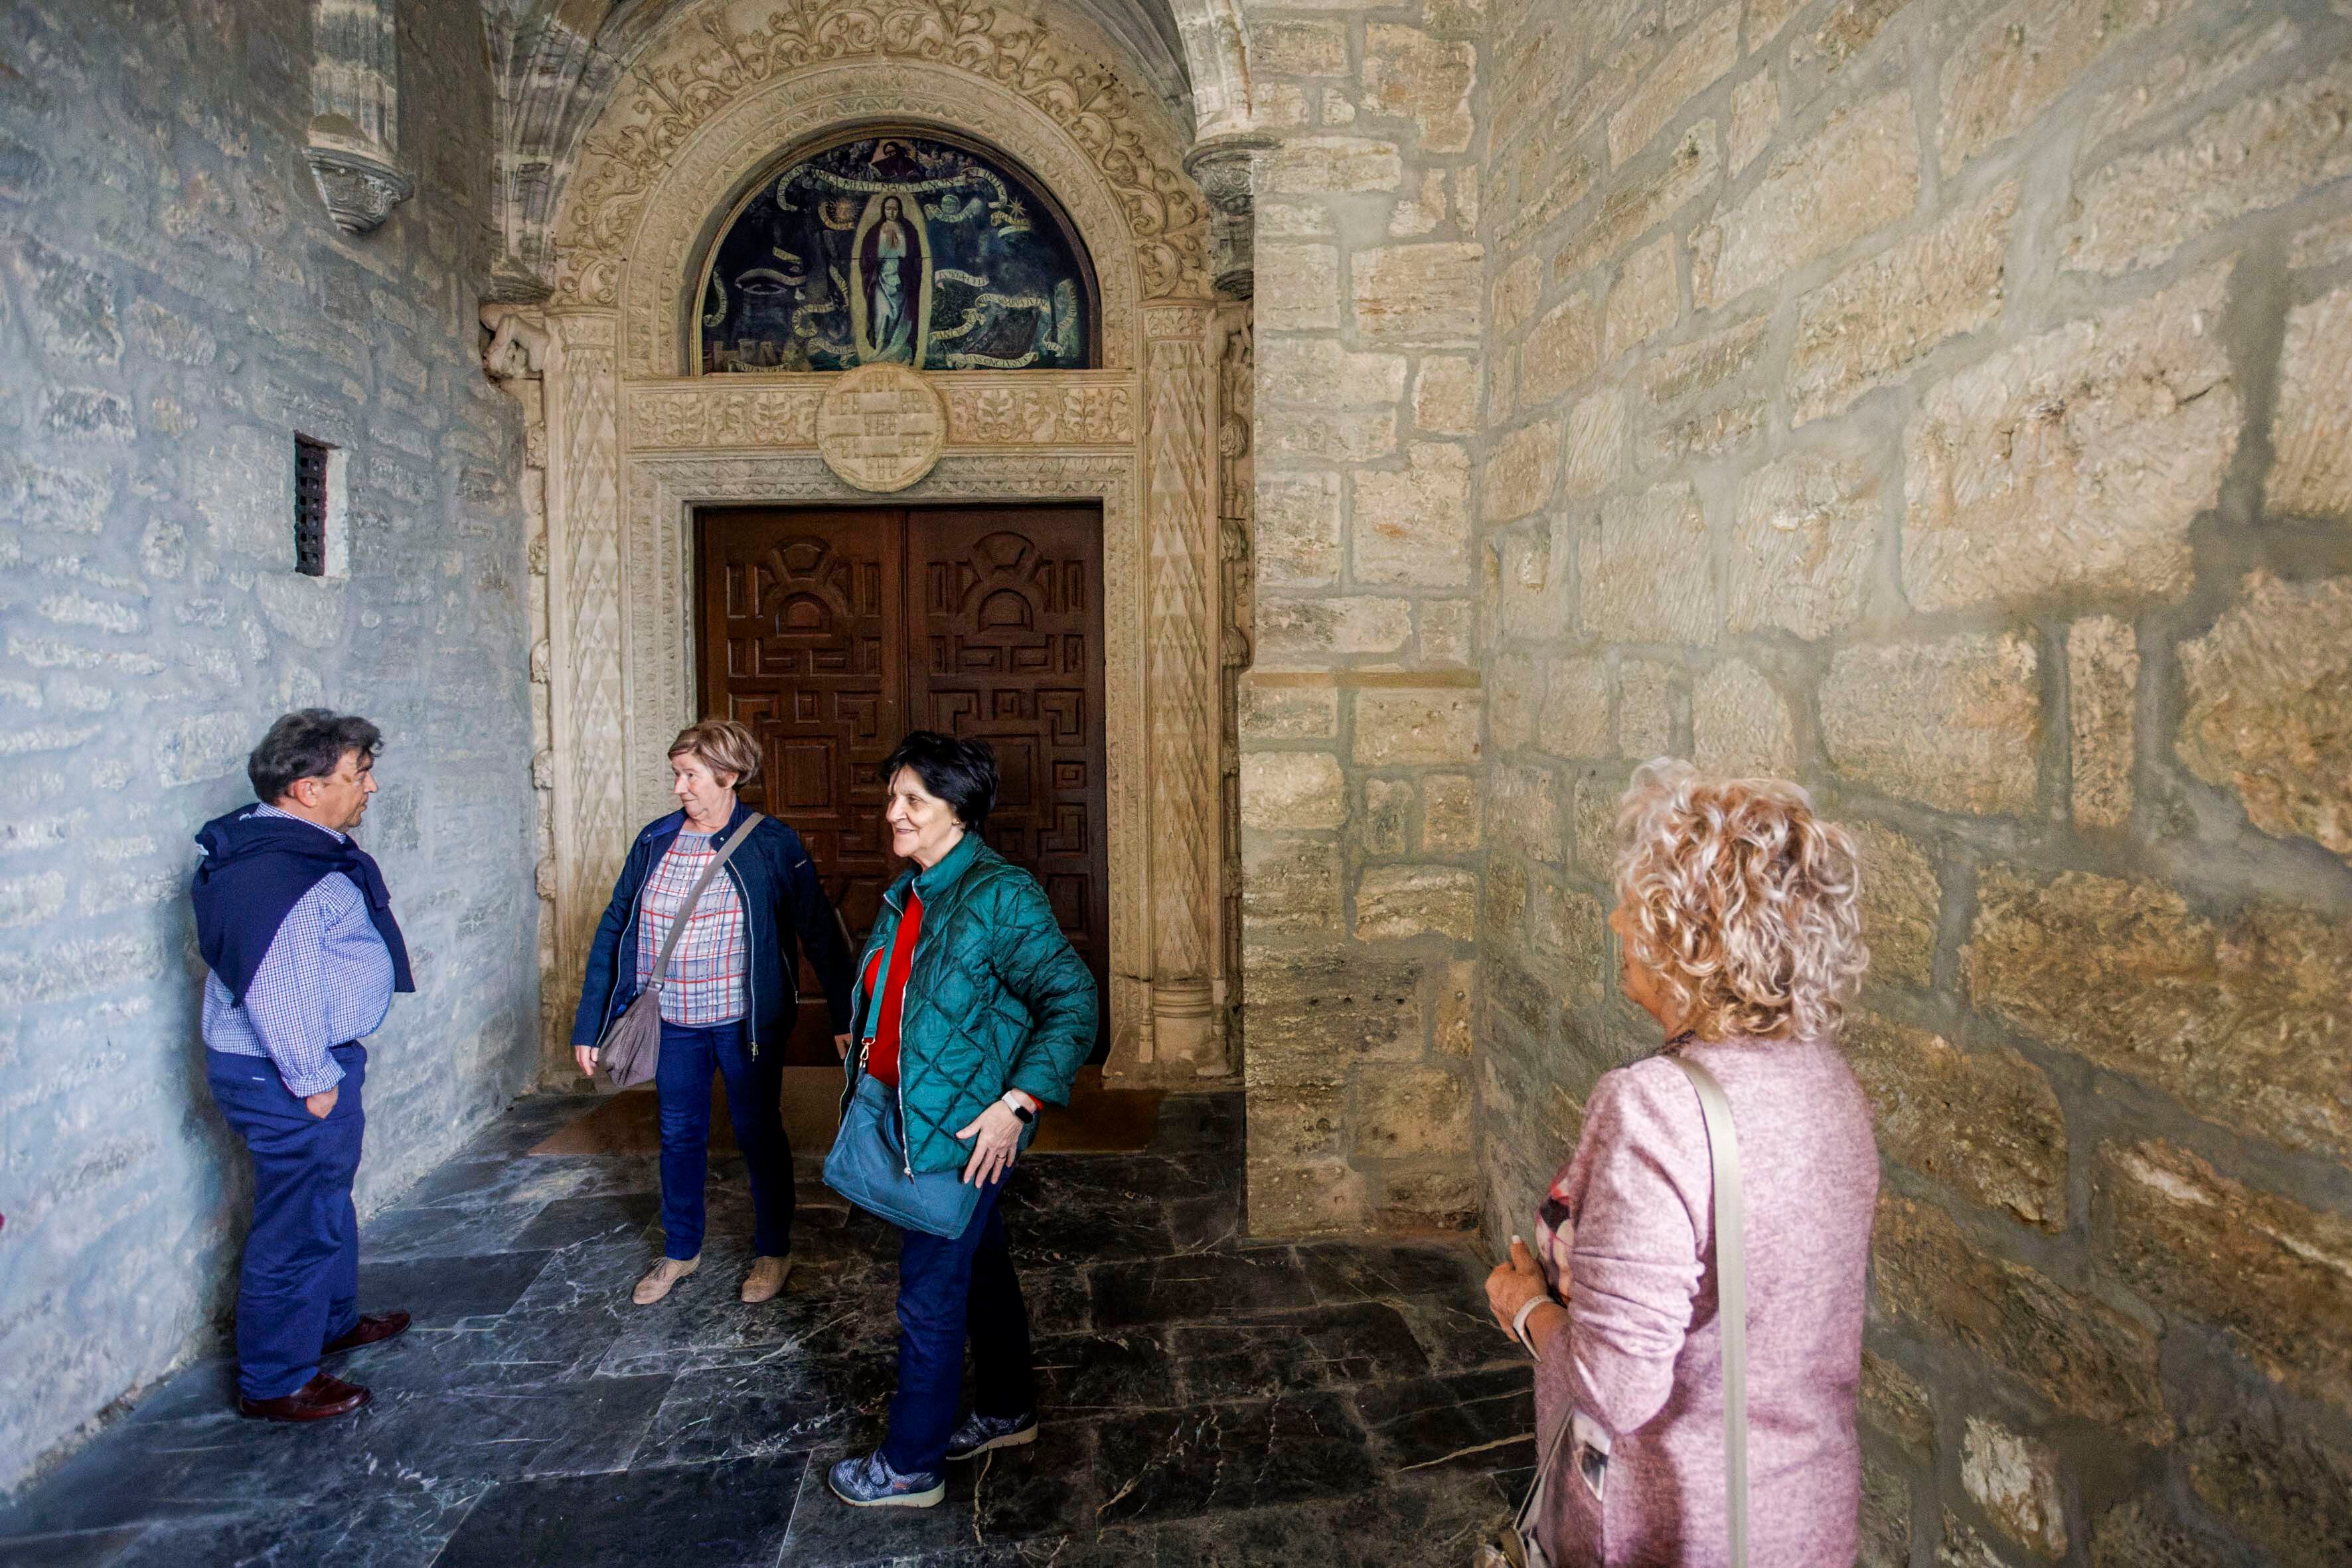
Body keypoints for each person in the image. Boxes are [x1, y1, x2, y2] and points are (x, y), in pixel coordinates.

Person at [1484, 759, 1878, 1566]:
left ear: (1687, 932)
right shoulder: (1829, 1083)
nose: (1615, 919)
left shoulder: (1655, 1107)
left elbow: (1618, 1388)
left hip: (1675, 1528)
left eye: (1636, 900)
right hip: (1803, 1513)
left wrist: (1529, 1309)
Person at [826, 732, 1097, 1509]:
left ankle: (909, 1464)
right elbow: (913, 985)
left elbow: (1072, 1002)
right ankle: (1008, 1406)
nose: (893, 814)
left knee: (929, 1294)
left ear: (960, 810)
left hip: (961, 1131)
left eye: (913, 799)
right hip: (918, 1117)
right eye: (892, 797)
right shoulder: (915, 889)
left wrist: (1020, 1104)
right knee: (978, 1266)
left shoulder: (999, 893)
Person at [571, 718, 856, 1306]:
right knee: (678, 1134)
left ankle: (772, 1249)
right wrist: (590, 1021)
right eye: (676, 774)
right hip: (672, 1020)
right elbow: (614, 927)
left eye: (689, 775)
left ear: (728, 776)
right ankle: (680, 1250)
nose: (678, 787)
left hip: (743, 1022)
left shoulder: (771, 843)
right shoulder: (655, 839)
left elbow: (820, 933)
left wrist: (845, 1017)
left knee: (757, 1132)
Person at [191, 710, 416, 1423]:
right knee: (298, 1222)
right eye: (357, 775)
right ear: (306, 788)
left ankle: (330, 1320)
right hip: (290, 1071)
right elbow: (276, 987)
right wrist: (314, 1080)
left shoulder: (289, 848)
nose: (371, 787)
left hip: (307, 1062)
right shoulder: (277, 873)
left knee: (325, 1200)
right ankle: (276, 1379)